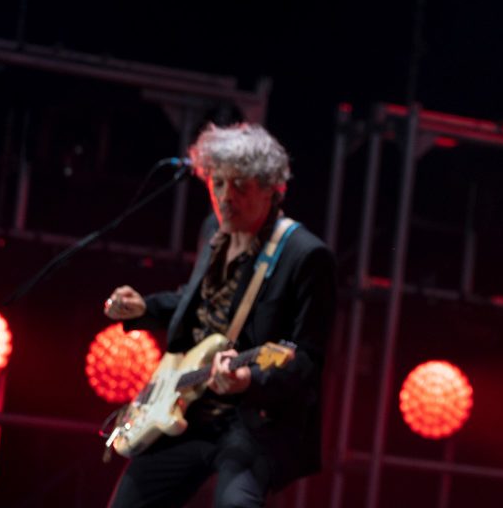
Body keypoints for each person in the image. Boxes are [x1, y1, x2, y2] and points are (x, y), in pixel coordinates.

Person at [102, 123, 336, 507]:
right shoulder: (214, 228)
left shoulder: (305, 256)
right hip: (186, 410)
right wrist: (146, 307)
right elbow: (200, 302)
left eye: (240, 186)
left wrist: (250, 378)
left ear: (272, 190)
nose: (226, 197)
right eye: (218, 183)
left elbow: (306, 357)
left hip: (252, 422)